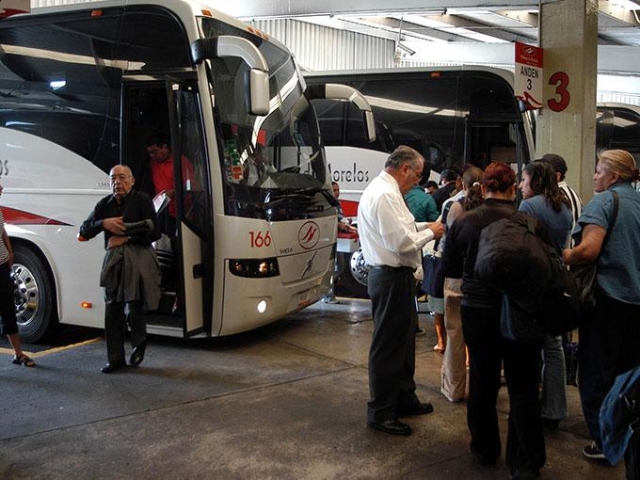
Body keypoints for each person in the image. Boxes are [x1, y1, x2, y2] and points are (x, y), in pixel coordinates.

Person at [443, 162, 546, 479]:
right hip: (519, 311)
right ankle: (525, 461)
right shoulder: (529, 221)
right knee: (524, 386)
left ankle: (485, 450)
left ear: (483, 187)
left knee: (483, 384)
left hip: (478, 310)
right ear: (513, 188)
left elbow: (452, 267)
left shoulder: (465, 221)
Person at [358, 145, 444, 436]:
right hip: (390, 277)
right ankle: (381, 411)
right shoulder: (384, 194)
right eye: (417, 175)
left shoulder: (390, 192)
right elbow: (402, 244)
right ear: (404, 168)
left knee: (404, 343)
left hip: (398, 277)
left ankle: (404, 398)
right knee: (388, 347)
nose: (418, 182)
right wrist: (433, 232)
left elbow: (402, 229)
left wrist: (425, 225)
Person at [562, 149, 640, 467]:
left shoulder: (606, 202)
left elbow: (589, 250)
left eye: (598, 171)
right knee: (629, 372)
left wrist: (561, 257)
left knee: (595, 370)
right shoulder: (637, 202)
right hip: (637, 302)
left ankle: (604, 440)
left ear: (614, 176)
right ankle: (629, 432)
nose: (594, 176)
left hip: (608, 300)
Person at [79, 165, 161, 374]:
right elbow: (84, 230)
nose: (117, 182)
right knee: (112, 309)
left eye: (122, 178)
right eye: (113, 179)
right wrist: (103, 223)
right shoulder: (104, 205)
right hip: (114, 262)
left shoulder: (141, 200)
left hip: (138, 258)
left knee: (136, 305)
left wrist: (127, 237)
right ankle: (115, 359)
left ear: (132, 180)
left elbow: (155, 232)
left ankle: (138, 345)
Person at [518, 160, 573, 432]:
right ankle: (555, 408)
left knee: (529, 346)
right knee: (554, 346)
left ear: (535, 181)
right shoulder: (563, 206)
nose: (520, 185)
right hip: (558, 278)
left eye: (524, 179)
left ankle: (533, 407)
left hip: (535, 281)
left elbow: (523, 245)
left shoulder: (529, 207)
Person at [440, 166, 484, 403]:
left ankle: (454, 389)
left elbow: (448, 244)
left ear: (462, 185)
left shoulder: (454, 207)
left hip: (457, 278)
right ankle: (483, 389)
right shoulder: (489, 209)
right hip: (483, 280)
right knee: (483, 337)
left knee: (455, 335)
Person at [0, 184, 36, 368]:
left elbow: (2, 230)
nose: (1, 187)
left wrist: (9, 250)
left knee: (8, 310)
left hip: (2, 267)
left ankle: (18, 354)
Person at [144, 131, 195, 236]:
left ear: (165, 147)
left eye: (154, 151)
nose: (152, 155)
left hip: (177, 214)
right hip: (159, 212)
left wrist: (173, 192)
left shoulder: (181, 163)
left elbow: (191, 189)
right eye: (150, 153)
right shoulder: (152, 163)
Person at [322, 182, 357, 304]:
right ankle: (326, 293)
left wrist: (345, 223)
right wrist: (340, 225)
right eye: (334, 190)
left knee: (340, 266)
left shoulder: (337, 204)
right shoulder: (327, 204)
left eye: (338, 190)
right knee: (334, 267)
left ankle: (325, 291)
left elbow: (339, 218)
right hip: (329, 241)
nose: (337, 192)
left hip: (338, 240)